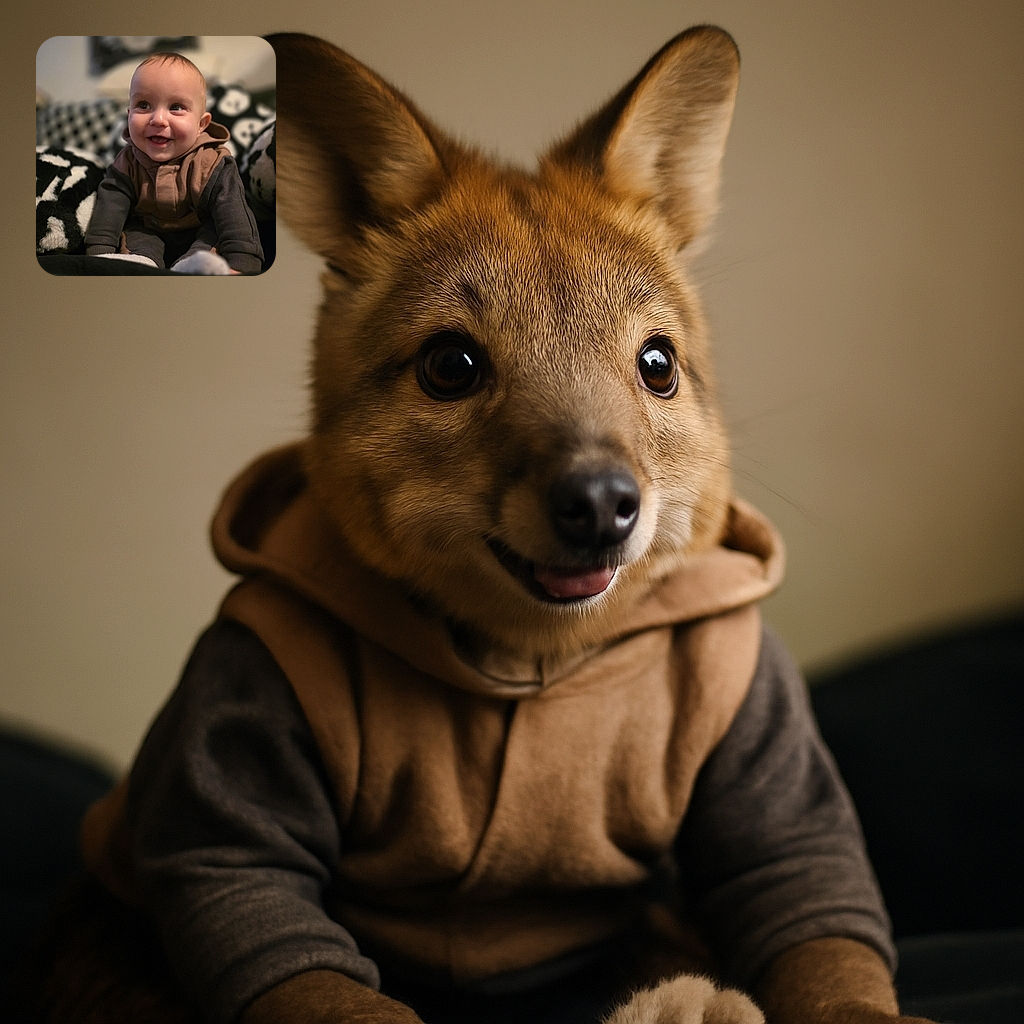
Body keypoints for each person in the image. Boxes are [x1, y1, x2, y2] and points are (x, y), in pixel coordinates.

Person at [85, 52, 263, 274]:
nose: (158, 119)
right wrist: (99, 252)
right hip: (148, 229)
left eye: (176, 107)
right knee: (135, 236)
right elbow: (110, 208)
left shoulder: (214, 163)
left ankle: (191, 267)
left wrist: (243, 257)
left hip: (200, 228)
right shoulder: (127, 162)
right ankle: (142, 263)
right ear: (129, 114)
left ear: (201, 124)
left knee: (213, 235)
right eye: (143, 105)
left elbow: (234, 212)